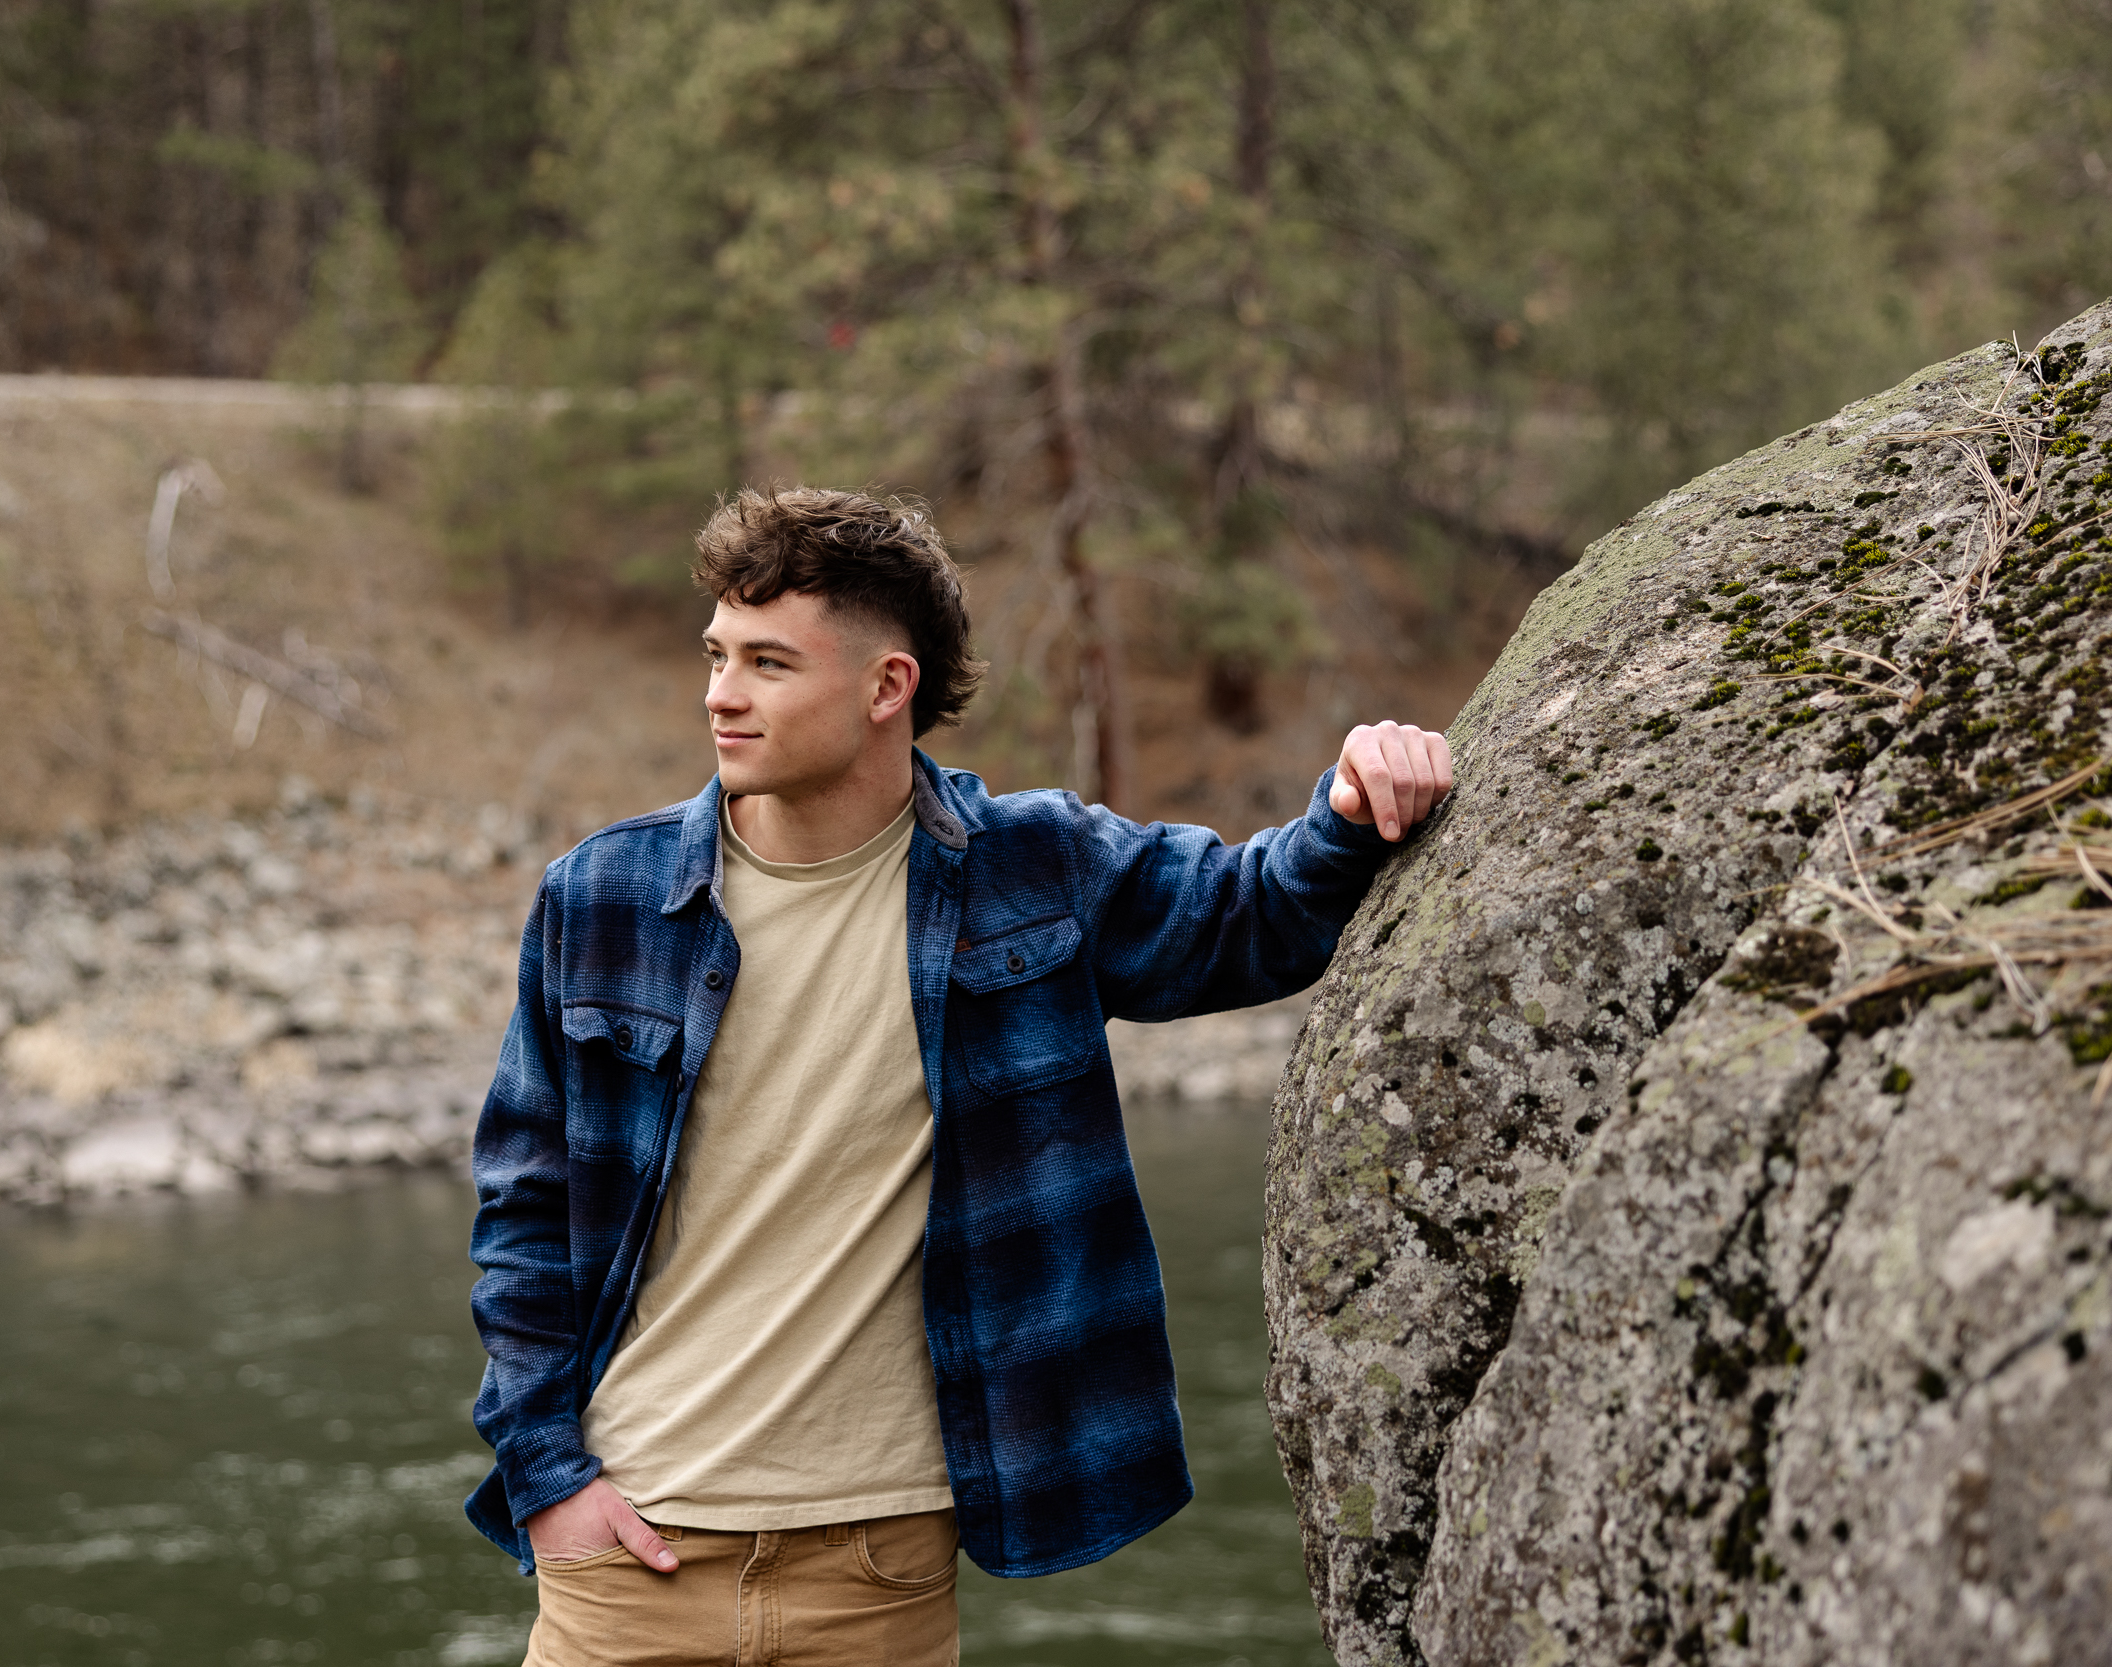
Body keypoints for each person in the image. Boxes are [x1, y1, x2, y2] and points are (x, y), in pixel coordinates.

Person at [466, 487, 1451, 1666]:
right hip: (628, 1561)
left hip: (877, 1566)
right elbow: (521, 1206)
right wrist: (546, 1477)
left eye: (770, 662)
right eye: (718, 654)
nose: (721, 693)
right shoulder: (603, 896)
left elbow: (1250, 913)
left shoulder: (1031, 865)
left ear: (888, 687)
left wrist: (1356, 796)